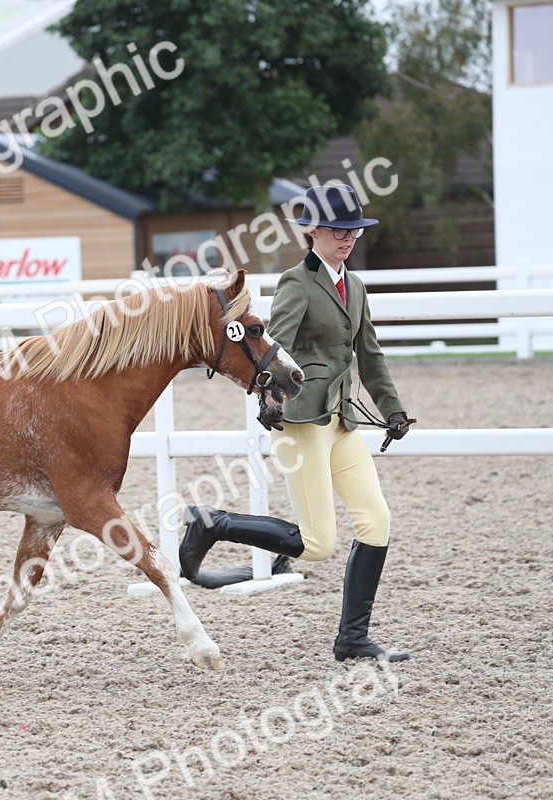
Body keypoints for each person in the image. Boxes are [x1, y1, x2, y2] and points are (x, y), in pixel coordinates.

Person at [179, 184, 415, 662]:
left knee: (376, 522)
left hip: (342, 418)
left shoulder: (357, 285)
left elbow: (368, 354)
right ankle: (213, 524)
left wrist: (390, 407)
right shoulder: (297, 282)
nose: (348, 239)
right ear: (313, 232)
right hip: (303, 419)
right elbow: (273, 349)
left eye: (353, 231)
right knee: (317, 542)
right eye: (338, 230)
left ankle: (352, 640)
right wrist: (269, 398)